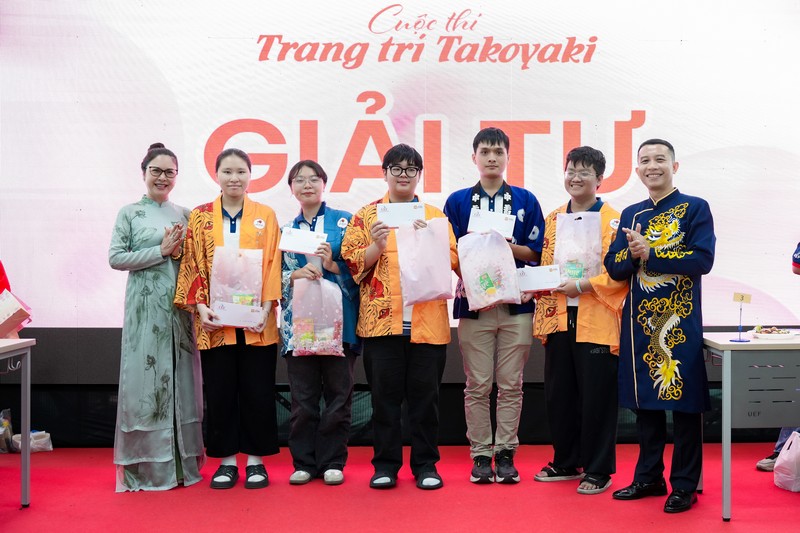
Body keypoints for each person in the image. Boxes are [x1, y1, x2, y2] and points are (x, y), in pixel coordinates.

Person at [605, 139, 715, 513]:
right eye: (645, 161)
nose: (652, 166)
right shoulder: (630, 213)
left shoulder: (695, 208)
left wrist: (652, 252)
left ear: (674, 166)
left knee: (685, 408)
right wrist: (633, 254)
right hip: (639, 325)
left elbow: (702, 259)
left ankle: (684, 484)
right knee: (645, 408)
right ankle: (649, 476)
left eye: (660, 159)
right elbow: (614, 267)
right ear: (637, 170)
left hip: (679, 321)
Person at [341, 143, 458, 490]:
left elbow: (453, 260)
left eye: (411, 169)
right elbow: (352, 263)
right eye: (397, 168)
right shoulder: (367, 216)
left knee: (426, 402)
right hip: (381, 326)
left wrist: (430, 239)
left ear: (419, 175)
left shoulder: (434, 215)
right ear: (385, 173)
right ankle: (385, 465)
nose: (403, 175)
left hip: (428, 325)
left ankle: (426, 465)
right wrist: (376, 245)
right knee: (384, 401)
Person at [175, 148, 282, 490]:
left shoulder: (265, 215)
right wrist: (199, 306)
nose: (234, 178)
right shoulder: (201, 217)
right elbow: (192, 262)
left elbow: (273, 263)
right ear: (216, 175)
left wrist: (266, 308)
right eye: (227, 172)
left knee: (258, 391)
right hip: (214, 322)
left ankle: (255, 461)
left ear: (250, 175)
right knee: (220, 391)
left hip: (257, 321)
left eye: (240, 172)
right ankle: (226, 462)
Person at [443, 127, 545, 483]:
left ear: (507, 157)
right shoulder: (457, 201)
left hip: (517, 306)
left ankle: (505, 453)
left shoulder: (525, 200)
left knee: (511, 383)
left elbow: (536, 252)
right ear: (474, 157)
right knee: (478, 384)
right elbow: (450, 253)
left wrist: (502, 245)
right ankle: (480, 455)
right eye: (485, 152)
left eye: (498, 152)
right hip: (474, 307)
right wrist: (475, 262)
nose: (491, 158)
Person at [108, 143, 205, 491]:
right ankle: (147, 468)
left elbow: (195, 262)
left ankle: (183, 466)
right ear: (144, 173)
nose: (162, 178)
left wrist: (178, 255)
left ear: (176, 176)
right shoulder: (130, 213)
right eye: (156, 171)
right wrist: (160, 251)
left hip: (179, 312)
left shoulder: (186, 214)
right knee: (146, 382)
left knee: (181, 381)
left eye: (169, 172)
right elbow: (116, 258)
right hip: (144, 310)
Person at [531, 146, 628, 494]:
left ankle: (598, 469)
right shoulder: (553, 218)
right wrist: (533, 286)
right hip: (558, 317)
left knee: (597, 397)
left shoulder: (614, 221)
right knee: (560, 394)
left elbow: (620, 274)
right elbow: (545, 265)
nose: (575, 177)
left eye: (584, 172)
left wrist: (583, 285)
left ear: (599, 180)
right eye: (570, 170)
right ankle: (565, 461)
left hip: (597, 319)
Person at [280, 160, 360, 486]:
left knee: (339, 396)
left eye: (314, 179)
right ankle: (303, 462)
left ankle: (332, 461)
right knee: (303, 398)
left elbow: (363, 269)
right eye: (299, 180)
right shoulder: (286, 230)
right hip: (300, 324)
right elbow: (273, 277)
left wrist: (334, 265)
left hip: (340, 323)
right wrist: (294, 275)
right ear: (291, 189)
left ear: (324, 184)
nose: (307, 185)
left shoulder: (346, 222)